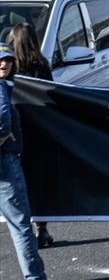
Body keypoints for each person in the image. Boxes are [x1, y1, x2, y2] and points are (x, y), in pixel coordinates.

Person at [0, 43, 55, 280]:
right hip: (5, 163)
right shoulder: (0, 88)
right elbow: (2, 122)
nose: (4, 64)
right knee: (20, 223)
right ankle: (35, 279)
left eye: (8, 60)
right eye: (0, 60)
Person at [6, 23, 55, 249]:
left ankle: (21, 228)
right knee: (37, 181)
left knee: (17, 182)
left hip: (13, 135)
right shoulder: (41, 67)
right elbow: (52, 95)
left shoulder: (8, 69)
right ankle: (41, 229)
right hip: (38, 133)